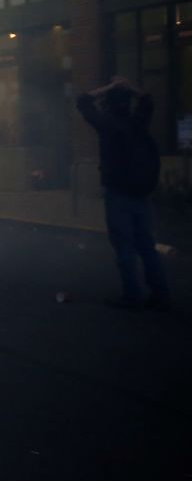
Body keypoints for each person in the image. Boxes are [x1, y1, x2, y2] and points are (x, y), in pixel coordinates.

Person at [76, 77, 171, 312]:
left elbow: (83, 101)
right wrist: (130, 89)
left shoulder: (107, 125)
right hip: (141, 193)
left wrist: (109, 87)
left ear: (108, 104)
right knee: (146, 246)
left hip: (118, 194)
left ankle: (132, 295)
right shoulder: (139, 123)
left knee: (124, 247)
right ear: (128, 104)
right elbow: (148, 100)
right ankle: (160, 293)